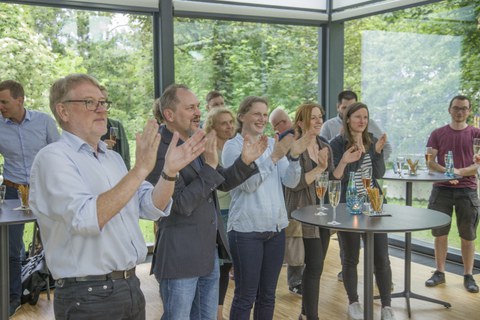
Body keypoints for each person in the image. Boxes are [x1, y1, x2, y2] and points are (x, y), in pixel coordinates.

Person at [29, 73, 207, 320]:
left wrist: (169, 172)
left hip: (130, 287)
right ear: (63, 111)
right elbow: (87, 218)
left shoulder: (111, 158)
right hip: (87, 296)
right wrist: (140, 169)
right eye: (90, 102)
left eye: (103, 102)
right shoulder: (53, 158)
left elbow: (150, 205)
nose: (101, 109)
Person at [148, 84, 268, 320]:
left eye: (198, 107)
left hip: (207, 254)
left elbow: (219, 182)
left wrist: (245, 161)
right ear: (170, 115)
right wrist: (211, 166)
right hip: (180, 258)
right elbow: (180, 204)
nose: (198, 112)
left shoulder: (194, 140)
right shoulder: (158, 149)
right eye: (190, 107)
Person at [223, 96, 314, 320]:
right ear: (242, 116)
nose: (262, 119)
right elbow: (248, 185)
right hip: (246, 231)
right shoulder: (232, 147)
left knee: (268, 295)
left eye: (265, 114)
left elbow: (291, 182)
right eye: (257, 113)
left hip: (275, 230)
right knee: (246, 296)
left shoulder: (273, 144)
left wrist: (293, 157)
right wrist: (273, 157)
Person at [330, 102, 395, 320]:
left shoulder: (372, 141)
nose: (362, 121)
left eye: (365, 117)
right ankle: (353, 302)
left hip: (373, 205)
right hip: (348, 206)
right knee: (350, 258)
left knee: (381, 258)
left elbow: (378, 173)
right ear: (348, 119)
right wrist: (354, 156)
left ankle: (387, 306)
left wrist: (376, 153)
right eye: (358, 117)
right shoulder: (337, 144)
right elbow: (340, 177)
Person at [0, 80, 60, 317]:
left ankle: (63, 290)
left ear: (20, 100)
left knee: (57, 242)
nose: (0, 107)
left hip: (44, 190)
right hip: (13, 192)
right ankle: (14, 297)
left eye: (4, 102)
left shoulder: (44, 122)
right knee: (11, 250)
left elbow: (59, 154)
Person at [284, 103, 335, 320]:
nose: (318, 121)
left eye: (320, 117)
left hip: (323, 213)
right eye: (312, 118)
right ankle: (311, 316)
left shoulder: (325, 146)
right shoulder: (294, 147)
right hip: (303, 214)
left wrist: (334, 166)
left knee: (317, 266)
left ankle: (305, 314)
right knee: (314, 264)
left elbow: (330, 180)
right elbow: (294, 185)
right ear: (301, 122)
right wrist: (319, 169)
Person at [424, 95, 480, 293]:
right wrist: (447, 173)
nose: (460, 112)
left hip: (468, 190)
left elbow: (479, 164)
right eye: (456, 108)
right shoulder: (437, 133)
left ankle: (468, 275)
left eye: (464, 108)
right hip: (442, 188)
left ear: (469, 111)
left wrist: (459, 172)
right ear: (449, 109)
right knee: (440, 234)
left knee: (468, 235)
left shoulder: (477, 134)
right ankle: (439, 272)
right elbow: (429, 161)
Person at [268, 107, 304, 296]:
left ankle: (297, 281)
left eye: (275, 125)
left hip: (295, 199)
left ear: (282, 123)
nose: (275, 130)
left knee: (296, 243)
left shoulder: (290, 139)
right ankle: (296, 281)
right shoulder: (286, 141)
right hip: (290, 199)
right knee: (294, 243)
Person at [204, 107, 235, 320]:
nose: (229, 126)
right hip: (217, 212)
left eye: (231, 122)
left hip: (234, 212)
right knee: (217, 264)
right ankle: (211, 311)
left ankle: (219, 311)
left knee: (227, 264)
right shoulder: (209, 148)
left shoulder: (236, 147)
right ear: (212, 126)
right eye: (224, 123)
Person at [320, 90, 392, 161]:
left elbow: (386, 147)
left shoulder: (368, 123)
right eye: (345, 108)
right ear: (338, 107)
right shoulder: (328, 125)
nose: (348, 111)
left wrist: (375, 163)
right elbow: (321, 151)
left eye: (352, 107)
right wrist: (340, 136)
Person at [99, 86, 131, 169]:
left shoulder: (116, 125)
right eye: (101, 102)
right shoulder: (86, 128)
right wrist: (100, 146)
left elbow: (126, 156)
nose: (104, 106)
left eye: (106, 102)